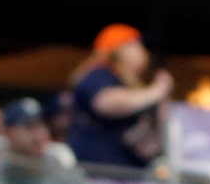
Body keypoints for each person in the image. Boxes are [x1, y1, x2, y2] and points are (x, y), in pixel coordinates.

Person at [66, 23, 168, 171]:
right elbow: (104, 103)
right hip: (97, 172)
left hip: (127, 172)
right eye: (136, 45)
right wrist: (156, 91)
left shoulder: (128, 84)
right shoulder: (99, 74)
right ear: (120, 49)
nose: (143, 52)